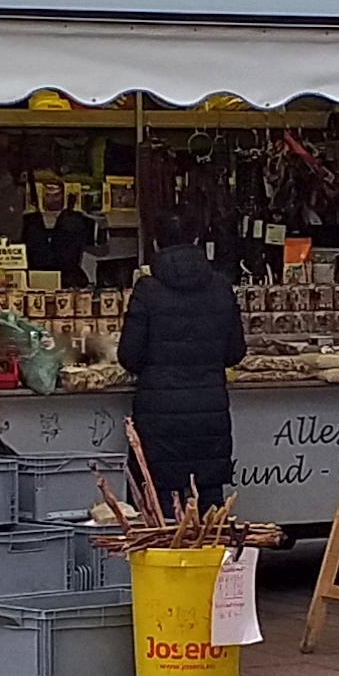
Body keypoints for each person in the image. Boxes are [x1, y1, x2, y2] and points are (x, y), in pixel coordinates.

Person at [116, 211, 244, 512]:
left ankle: (166, 560)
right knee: (210, 509)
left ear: (156, 244)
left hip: (159, 416)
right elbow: (235, 353)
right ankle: (213, 559)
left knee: (161, 507)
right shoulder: (220, 286)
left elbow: (129, 357)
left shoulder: (147, 290)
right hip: (208, 414)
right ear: (198, 240)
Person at [22, 178, 102, 288]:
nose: (52, 199)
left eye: (56, 195)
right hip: (35, 278)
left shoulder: (76, 219)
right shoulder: (29, 221)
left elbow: (101, 245)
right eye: (48, 195)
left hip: (68, 278)